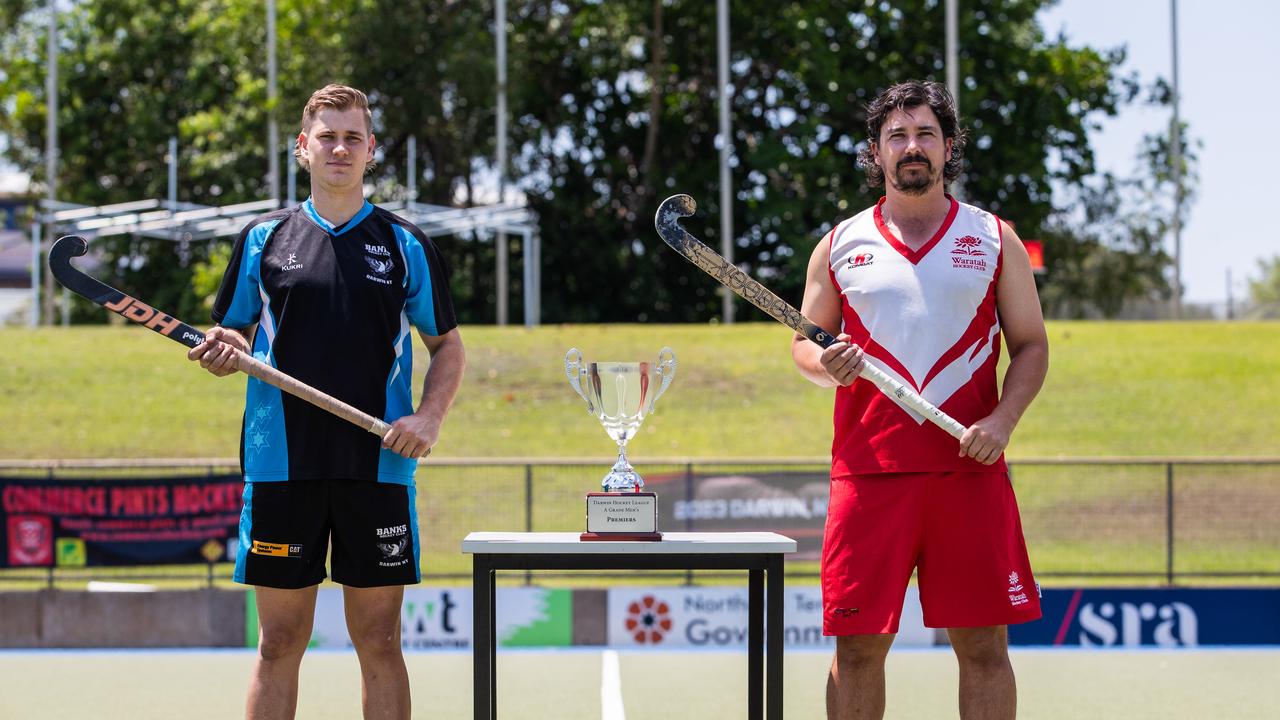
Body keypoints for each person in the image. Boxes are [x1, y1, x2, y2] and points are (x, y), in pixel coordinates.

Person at [188, 84, 465, 720]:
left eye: (352, 137)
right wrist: (222, 348)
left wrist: (428, 417)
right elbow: (232, 333)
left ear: (371, 150)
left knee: (381, 641)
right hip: (282, 465)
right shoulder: (263, 239)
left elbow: (446, 345)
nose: (339, 148)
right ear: (302, 148)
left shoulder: (405, 244)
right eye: (327, 136)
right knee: (280, 641)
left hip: (378, 464)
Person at [791, 80, 1048, 720]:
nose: (912, 147)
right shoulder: (841, 243)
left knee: (985, 646)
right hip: (869, 474)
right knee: (857, 650)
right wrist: (826, 362)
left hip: (969, 471)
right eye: (897, 136)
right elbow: (804, 345)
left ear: (949, 146)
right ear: (875, 152)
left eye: (926, 134)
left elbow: (1032, 346)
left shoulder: (994, 238)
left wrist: (1003, 418)